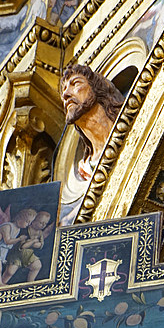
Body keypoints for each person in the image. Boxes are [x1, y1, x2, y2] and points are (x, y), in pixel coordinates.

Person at [58, 64, 124, 224]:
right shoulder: (85, 169)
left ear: (97, 89)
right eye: (64, 90)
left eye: (76, 84)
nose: (66, 95)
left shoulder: (129, 127)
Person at [0, 208, 37, 288]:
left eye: (30, 222)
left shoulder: (17, 229)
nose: (28, 224)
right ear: (20, 218)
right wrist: (19, 239)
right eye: (27, 221)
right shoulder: (7, 226)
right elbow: (7, 241)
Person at [2, 210, 53, 284]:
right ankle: (2, 283)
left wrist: (35, 244)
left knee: (37, 265)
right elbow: (23, 246)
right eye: (41, 222)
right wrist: (33, 242)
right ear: (33, 221)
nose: (43, 225)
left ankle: (30, 282)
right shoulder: (25, 229)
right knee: (10, 271)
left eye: (45, 224)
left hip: (29, 255)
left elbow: (40, 245)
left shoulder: (40, 233)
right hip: (17, 255)